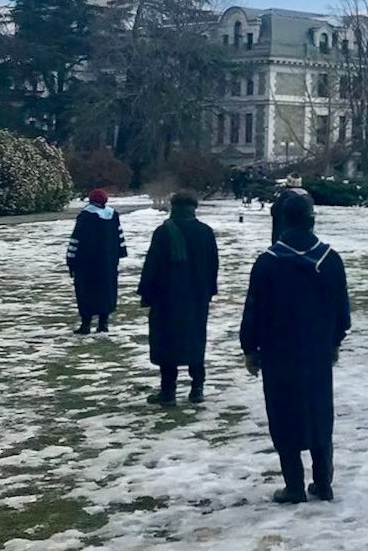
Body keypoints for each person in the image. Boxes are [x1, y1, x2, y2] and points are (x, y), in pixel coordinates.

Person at [240, 191, 352, 504]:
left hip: (279, 354)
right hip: (317, 352)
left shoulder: (267, 263)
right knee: (319, 413)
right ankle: (323, 482)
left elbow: (254, 311)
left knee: (284, 414)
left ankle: (294, 485)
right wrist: (335, 341)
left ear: (283, 221)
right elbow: (342, 310)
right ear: (312, 220)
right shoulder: (330, 260)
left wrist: (249, 349)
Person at [138, 192, 220, 405]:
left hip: (166, 298)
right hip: (196, 297)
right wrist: (209, 291)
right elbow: (213, 265)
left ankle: (168, 392)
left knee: (167, 343)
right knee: (195, 340)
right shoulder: (205, 232)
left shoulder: (163, 232)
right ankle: (197, 388)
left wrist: (146, 294)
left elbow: (152, 265)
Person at [66, 188, 126, 334]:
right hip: (108, 263)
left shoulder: (86, 216)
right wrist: (118, 255)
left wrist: (70, 259)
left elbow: (76, 239)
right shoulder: (113, 215)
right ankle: (103, 324)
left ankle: (85, 325)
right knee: (106, 292)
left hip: (87, 264)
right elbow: (120, 239)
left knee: (86, 293)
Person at [270, 175, 306, 244]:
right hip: (302, 236)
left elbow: (275, 211)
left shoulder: (285, 195)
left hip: (283, 233)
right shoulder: (306, 195)